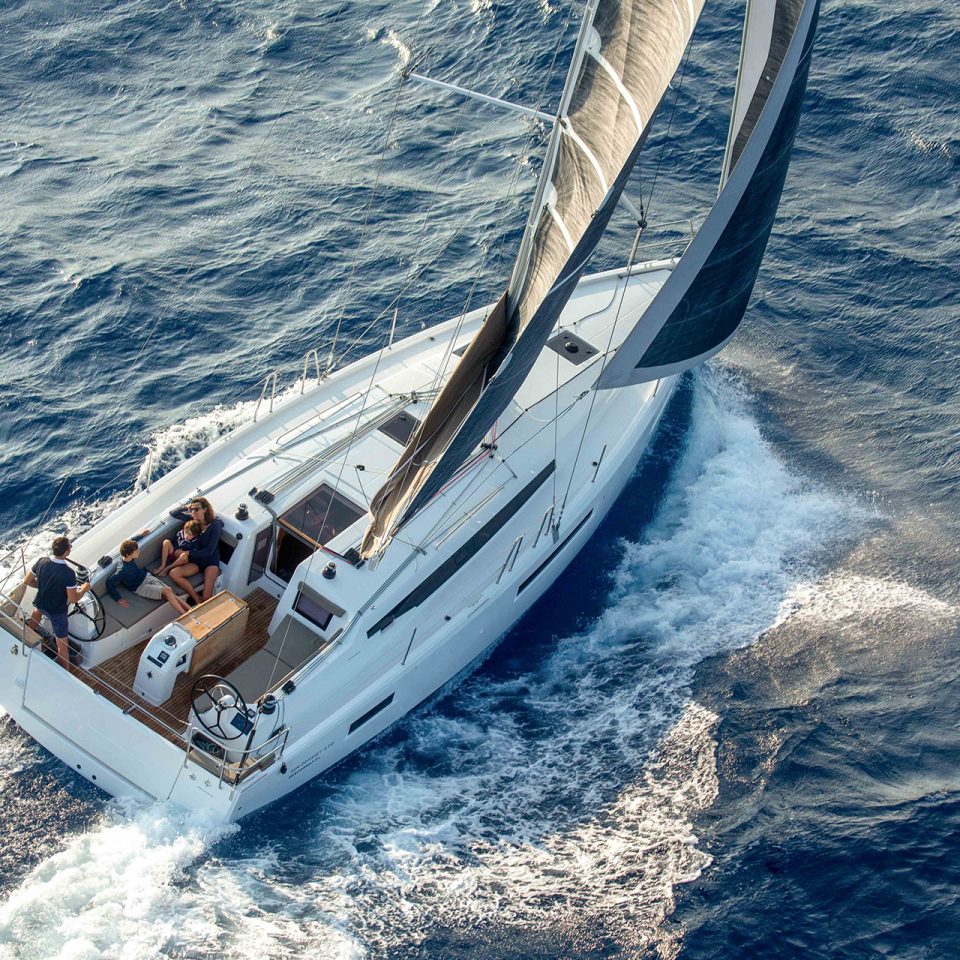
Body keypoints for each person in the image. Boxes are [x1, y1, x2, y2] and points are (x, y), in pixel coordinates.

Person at [22, 535, 90, 669]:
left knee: (36, 613)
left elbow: (27, 581)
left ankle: (25, 637)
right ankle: (65, 673)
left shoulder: (41, 561)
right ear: (66, 552)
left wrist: (43, 586)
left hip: (41, 603)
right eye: (70, 546)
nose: (71, 547)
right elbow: (73, 599)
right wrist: (84, 588)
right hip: (57, 612)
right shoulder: (68, 573)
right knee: (62, 646)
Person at [107, 539, 189, 616]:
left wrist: (141, 535)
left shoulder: (128, 557)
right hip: (140, 587)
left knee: (170, 591)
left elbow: (131, 540)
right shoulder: (122, 570)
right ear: (128, 554)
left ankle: (190, 609)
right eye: (136, 550)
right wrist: (118, 598)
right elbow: (109, 582)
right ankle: (185, 615)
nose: (139, 551)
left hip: (146, 576)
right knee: (167, 591)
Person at [168, 497, 223, 605]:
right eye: (192, 509)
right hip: (196, 561)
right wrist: (186, 507)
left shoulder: (215, 526)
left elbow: (209, 551)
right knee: (174, 573)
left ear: (205, 509)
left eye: (196, 509)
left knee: (207, 597)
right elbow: (172, 513)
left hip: (210, 561)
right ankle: (196, 597)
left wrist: (187, 553)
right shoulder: (193, 520)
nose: (193, 512)